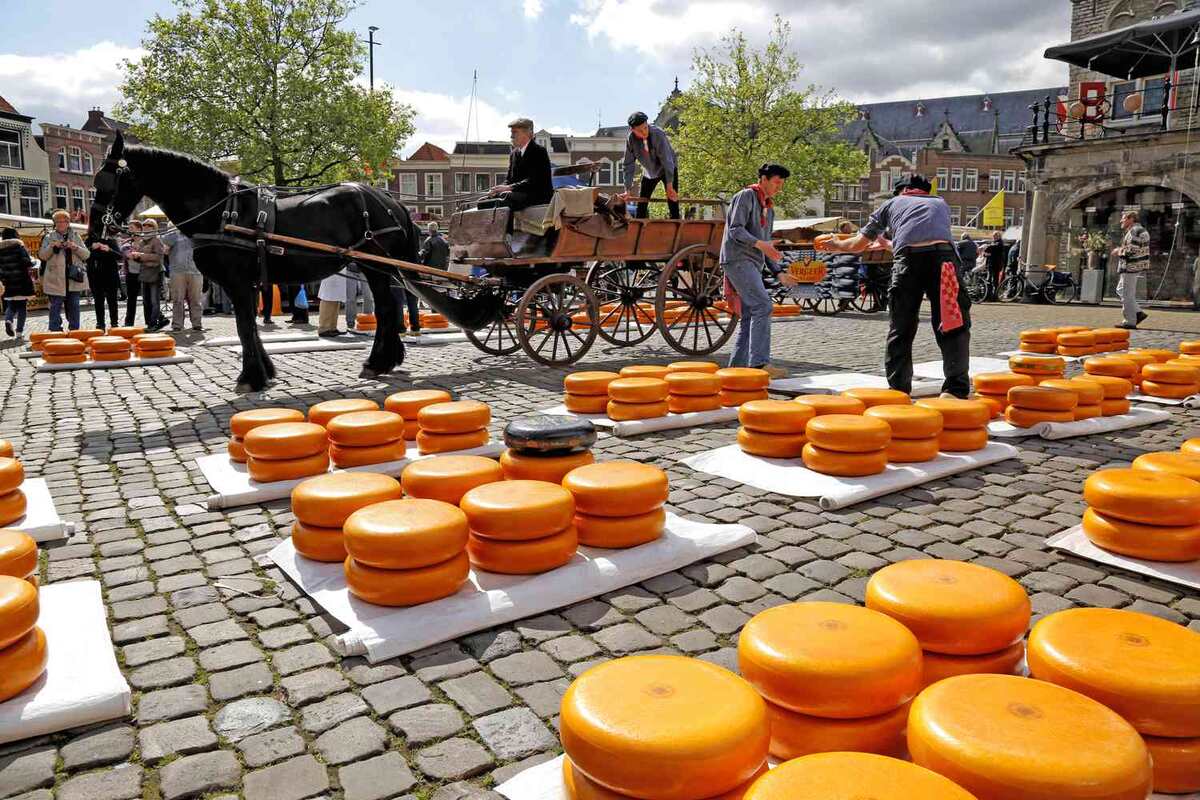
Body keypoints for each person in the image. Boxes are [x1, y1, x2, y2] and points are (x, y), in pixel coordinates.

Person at [823, 173, 971, 398]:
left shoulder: (892, 203)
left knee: (901, 326)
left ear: (902, 191)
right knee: (952, 322)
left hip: (908, 262)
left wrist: (836, 244)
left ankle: (899, 389)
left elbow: (857, 245)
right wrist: (889, 245)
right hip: (944, 261)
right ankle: (956, 390)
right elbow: (926, 242)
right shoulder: (940, 203)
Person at [720, 163, 798, 375]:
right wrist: (761, 244)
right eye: (776, 182)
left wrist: (779, 272)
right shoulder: (745, 196)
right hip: (738, 259)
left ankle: (736, 371)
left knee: (749, 316)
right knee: (763, 305)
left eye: (781, 184)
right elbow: (735, 230)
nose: (779, 187)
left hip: (752, 262)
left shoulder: (769, 208)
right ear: (763, 179)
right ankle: (759, 364)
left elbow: (766, 245)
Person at [480, 118, 553, 211]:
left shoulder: (539, 152)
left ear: (527, 134)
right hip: (518, 194)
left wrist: (509, 188)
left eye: (514, 132)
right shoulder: (514, 154)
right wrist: (497, 189)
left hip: (538, 196)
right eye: (511, 133)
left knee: (505, 197)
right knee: (483, 202)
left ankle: (507, 221)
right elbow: (509, 179)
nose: (511, 136)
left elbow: (535, 181)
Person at [619, 111, 679, 220]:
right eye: (640, 131)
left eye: (645, 128)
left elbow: (667, 161)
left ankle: (675, 225)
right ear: (632, 130)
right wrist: (627, 189)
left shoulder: (658, 134)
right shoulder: (631, 140)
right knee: (642, 203)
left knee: (672, 201)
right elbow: (628, 165)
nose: (644, 132)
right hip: (649, 172)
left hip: (667, 169)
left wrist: (670, 186)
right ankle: (640, 225)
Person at [38, 210, 90, 332]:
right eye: (58, 221)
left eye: (63, 221)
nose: (61, 224)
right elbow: (42, 256)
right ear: (54, 223)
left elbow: (87, 255)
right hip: (55, 278)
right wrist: (52, 247)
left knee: (74, 305)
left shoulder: (76, 236)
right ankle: (55, 330)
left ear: (68, 223)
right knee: (55, 306)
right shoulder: (48, 237)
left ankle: (74, 330)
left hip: (73, 277)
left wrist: (75, 247)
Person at [1113, 209, 1150, 329]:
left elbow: (1131, 250)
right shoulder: (1136, 230)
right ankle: (1138, 313)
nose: (1121, 221)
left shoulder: (1135, 230)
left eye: (1123, 218)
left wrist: (1118, 250)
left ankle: (1130, 321)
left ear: (1131, 219)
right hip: (1131, 266)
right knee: (1120, 290)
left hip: (1130, 266)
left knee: (1126, 294)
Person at [162, 227, 204, 331]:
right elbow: (164, 248)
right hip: (177, 272)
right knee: (177, 300)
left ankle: (197, 324)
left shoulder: (197, 234)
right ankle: (177, 325)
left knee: (196, 299)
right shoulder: (173, 234)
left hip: (196, 271)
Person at [129, 218, 167, 331]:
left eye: (149, 225)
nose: (146, 227)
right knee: (146, 301)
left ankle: (153, 324)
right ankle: (153, 321)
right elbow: (141, 260)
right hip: (145, 273)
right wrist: (135, 257)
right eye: (144, 225)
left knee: (154, 300)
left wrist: (142, 256)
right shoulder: (142, 241)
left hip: (156, 273)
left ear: (154, 227)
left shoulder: (157, 240)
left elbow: (159, 258)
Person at [0, 228, 36, 340]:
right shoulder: (19, 247)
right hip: (22, 282)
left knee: (11, 306)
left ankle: (8, 320)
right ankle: (19, 332)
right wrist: (33, 261)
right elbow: (27, 262)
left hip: (8, 283)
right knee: (22, 307)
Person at [86, 233, 122, 330]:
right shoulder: (89, 241)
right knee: (98, 301)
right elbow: (84, 255)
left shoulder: (111, 240)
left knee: (112, 300)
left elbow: (119, 256)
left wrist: (109, 250)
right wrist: (91, 248)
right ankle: (100, 323)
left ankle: (114, 323)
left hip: (110, 275)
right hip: (95, 276)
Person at [120, 219, 143, 325]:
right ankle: (129, 323)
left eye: (132, 228)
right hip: (131, 274)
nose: (129, 230)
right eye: (129, 228)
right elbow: (128, 254)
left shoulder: (146, 241)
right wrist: (140, 254)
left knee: (148, 299)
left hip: (145, 273)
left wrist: (139, 254)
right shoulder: (127, 243)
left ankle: (152, 321)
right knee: (131, 299)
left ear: (139, 229)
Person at [344, 265, 374, 335]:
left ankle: (367, 320)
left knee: (368, 297)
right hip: (350, 270)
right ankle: (350, 322)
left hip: (365, 270)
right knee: (350, 298)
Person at [317, 271, 345, 337]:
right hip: (331, 273)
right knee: (328, 299)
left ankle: (332, 327)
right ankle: (324, 328)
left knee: (336, 299)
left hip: (338, 274)